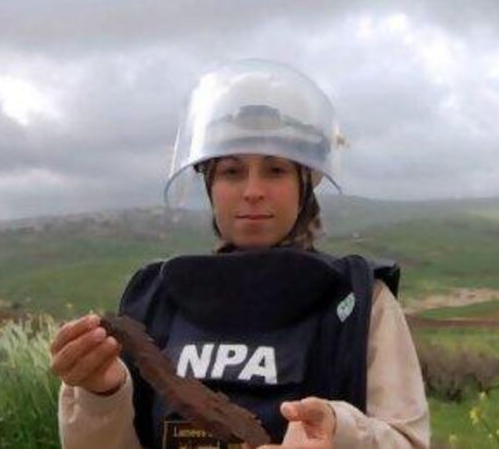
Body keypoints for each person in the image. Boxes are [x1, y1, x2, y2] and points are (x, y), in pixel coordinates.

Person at [50, 60, 430, 448]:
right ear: (210, 184)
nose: (252, 190)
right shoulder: (154, 299)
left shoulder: (357, 301)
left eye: (275, 170)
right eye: (232, 172)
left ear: (305, 185)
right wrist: (101, 395)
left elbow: (408, 441)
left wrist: (339, 431)